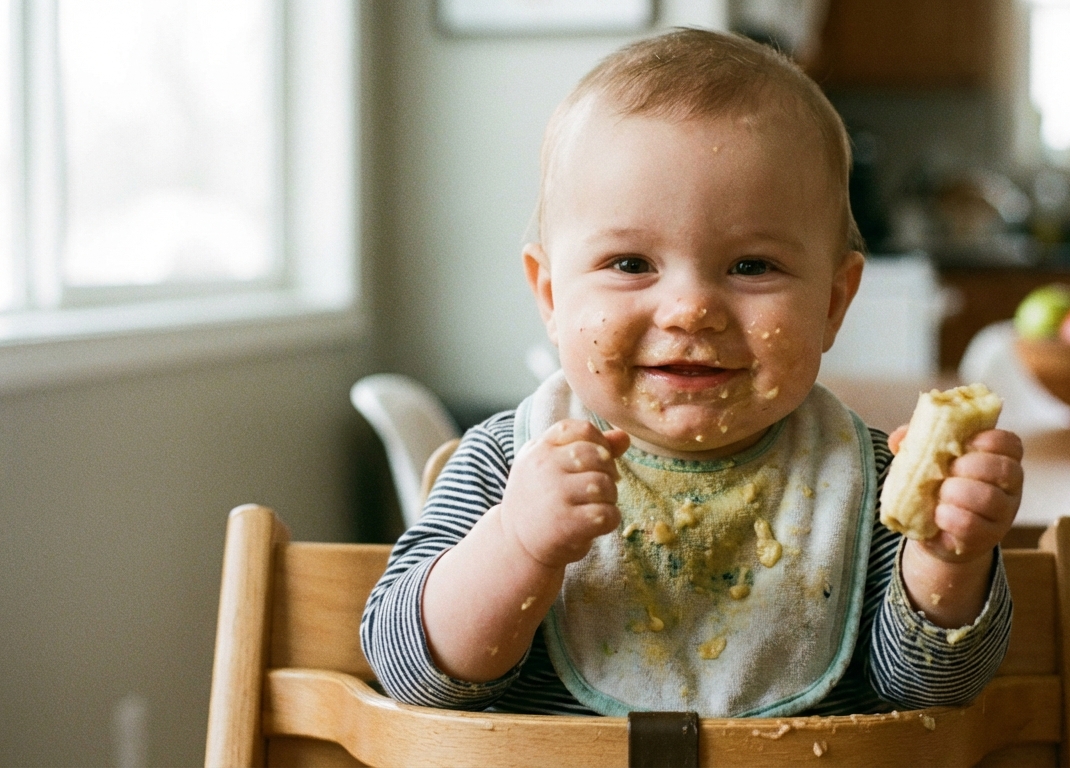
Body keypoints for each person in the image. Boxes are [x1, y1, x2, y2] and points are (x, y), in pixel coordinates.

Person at [361, 28, 1023, 718]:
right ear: (552, 298)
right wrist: (517, 543)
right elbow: (415, 674)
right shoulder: (506, 464)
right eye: (629, 264)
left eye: (751, 266)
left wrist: (948, 559)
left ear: (833, 303)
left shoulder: (868, 482)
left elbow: (932, 691)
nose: (691, 309)